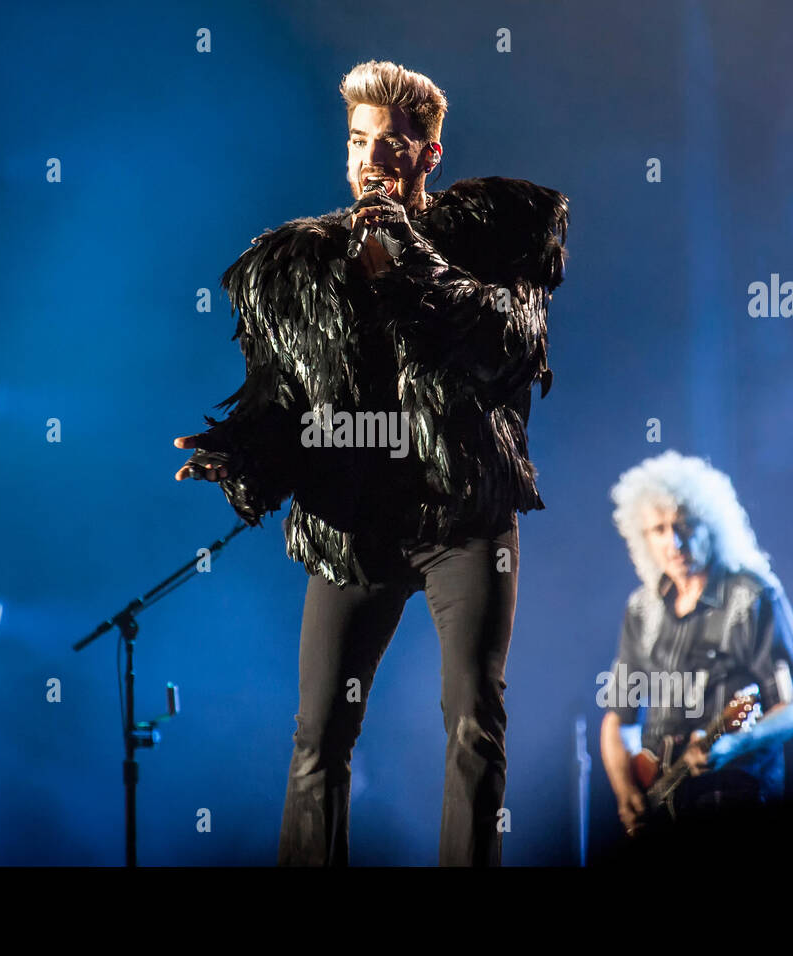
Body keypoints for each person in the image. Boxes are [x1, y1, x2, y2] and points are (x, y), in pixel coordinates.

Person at [172, 60, 568, 865]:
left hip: (463, 521)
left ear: (429, 155)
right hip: (357, 525)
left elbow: (505, 346)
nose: (370, 160)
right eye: (358, 141)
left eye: (391, 145)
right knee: (319, 733)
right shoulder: (301, 268)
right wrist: (240, 450)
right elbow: (286, 401)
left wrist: (408, 267)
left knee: (473, 718)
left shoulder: (492, 241)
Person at [599, 451, 793, 845]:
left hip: (738, 800)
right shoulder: (641, 608)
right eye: (659, 529)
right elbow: (618, 718)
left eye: (684, 526)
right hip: (661, 807)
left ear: (711, 526)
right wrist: (625, 791)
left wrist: (736, 743)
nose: (673, 542)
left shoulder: (753, 596)